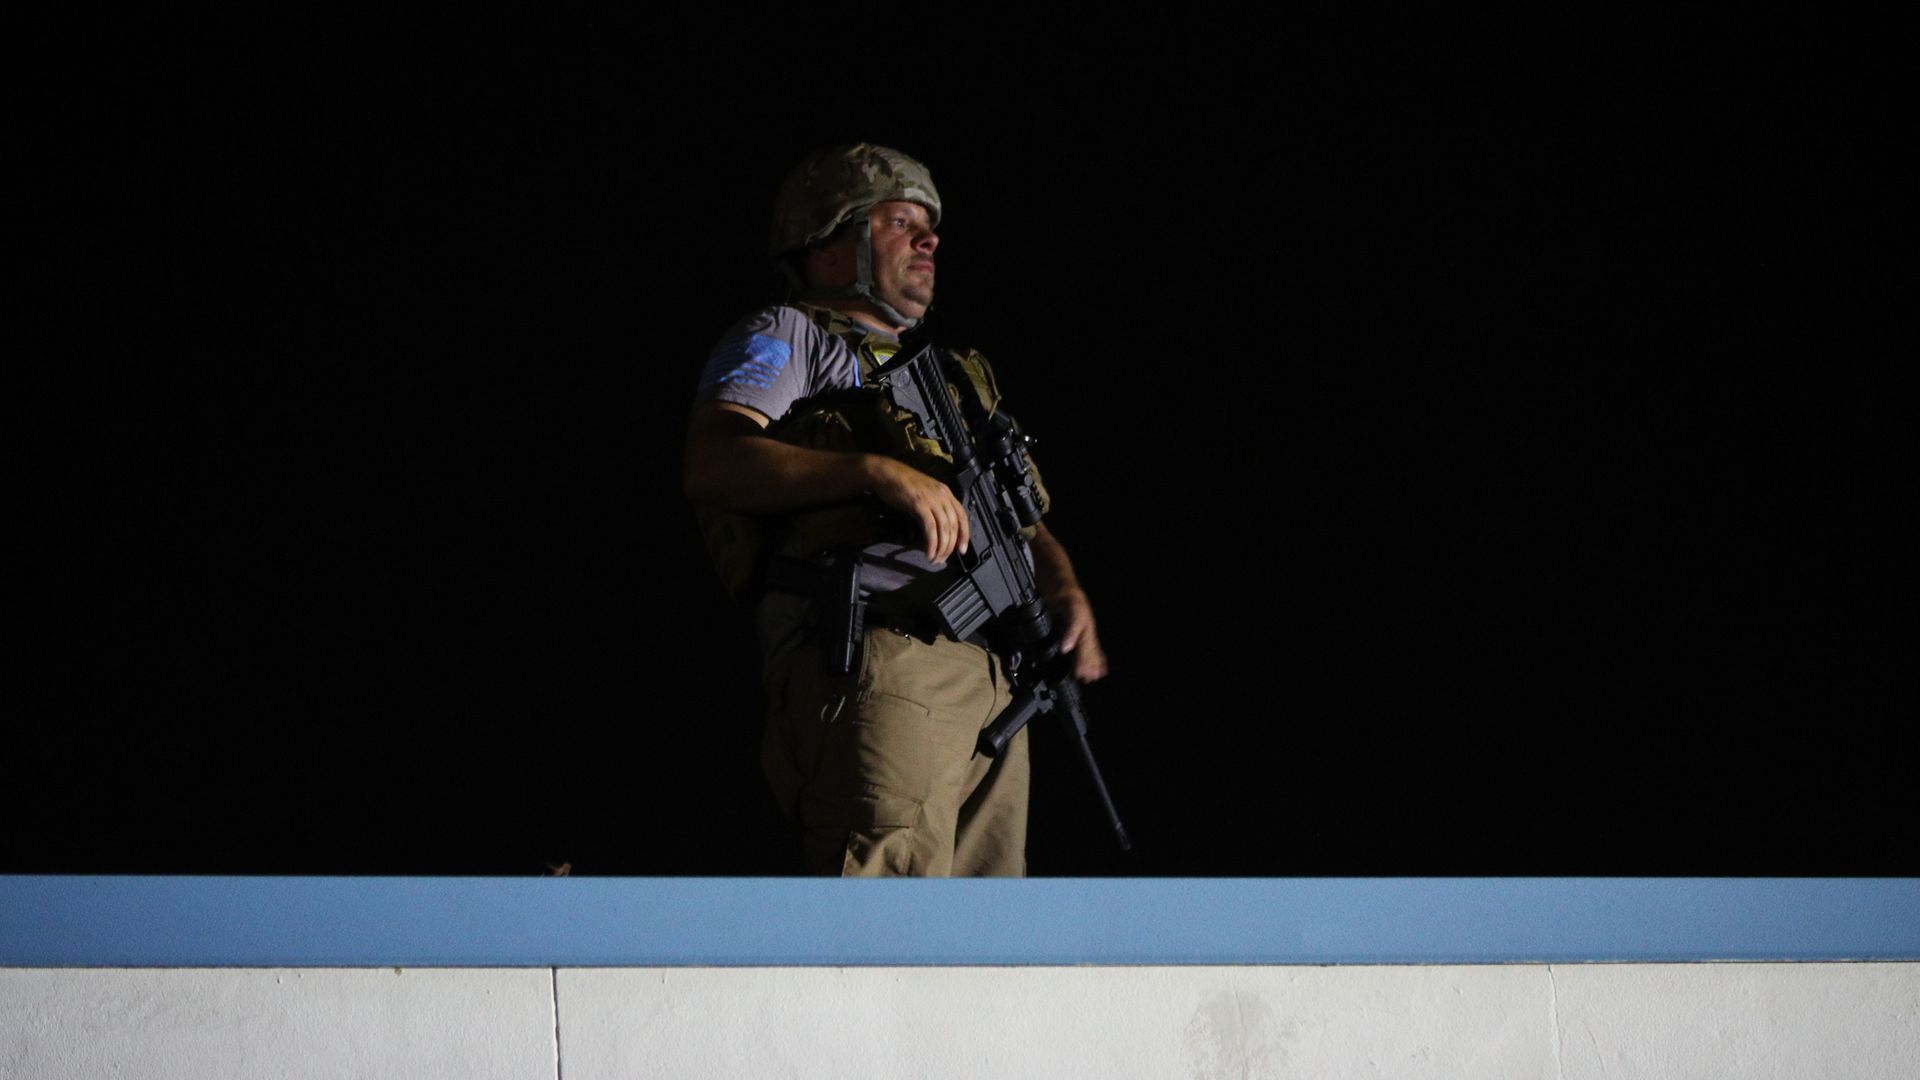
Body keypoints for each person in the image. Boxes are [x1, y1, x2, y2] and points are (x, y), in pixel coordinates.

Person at [682, 142, 1107, 877]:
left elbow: (1018, 518)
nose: (928, 239)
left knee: (982, 949)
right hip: (885, 658)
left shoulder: (948, 379)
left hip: (992, 688)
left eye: (930, 224)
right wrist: (875, 472)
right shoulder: (791, 336)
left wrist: (1063, 588)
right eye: (899, 220)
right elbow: (715, 459)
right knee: (885, 918)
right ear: (828, 241)